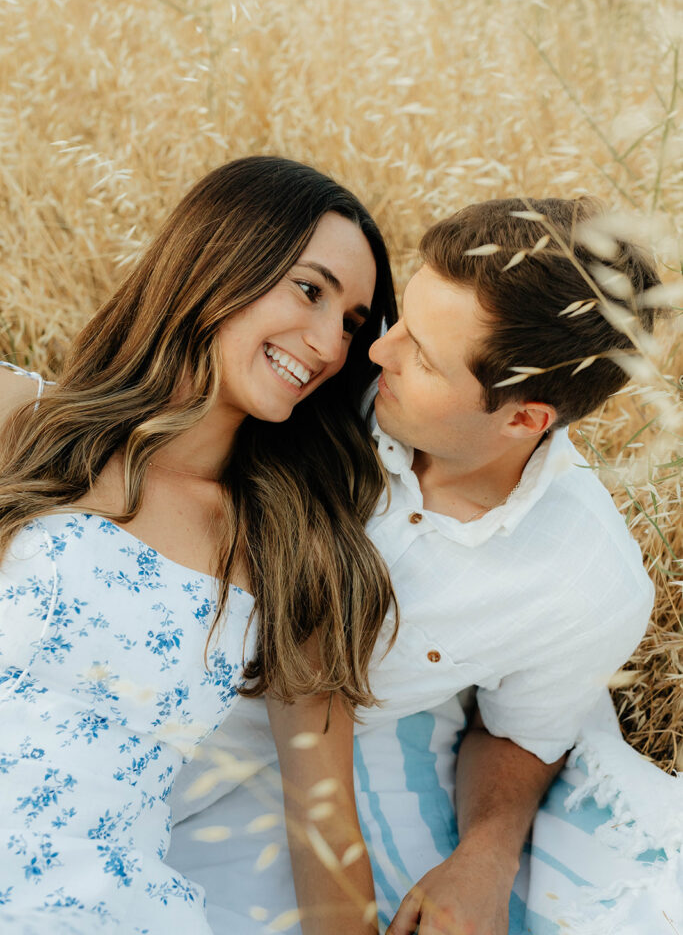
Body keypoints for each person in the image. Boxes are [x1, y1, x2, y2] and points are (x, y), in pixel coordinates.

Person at [168, 195, 666, 934]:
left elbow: (520, 732)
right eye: (401, 319)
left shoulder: (584, 585)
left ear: (524, 418)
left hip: (223, 785)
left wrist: (487, 853)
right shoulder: (312, 382)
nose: (374, 351)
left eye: (423, 357)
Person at [0, 155, 400, 935]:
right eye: (310, 290)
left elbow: (325, 830)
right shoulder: (21, 420)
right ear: (221, 258)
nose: (326, 344)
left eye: (351, 324)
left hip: (89, 912)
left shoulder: (288, 547)